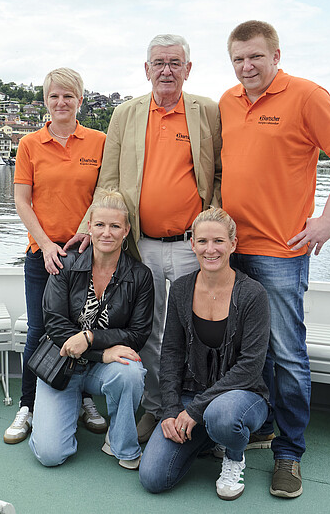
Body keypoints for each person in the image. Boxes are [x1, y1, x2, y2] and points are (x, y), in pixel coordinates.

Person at [219, 20, 330, 498]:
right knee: (246, 350)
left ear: (276, 55)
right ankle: (260, 427)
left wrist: (329, 219)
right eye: (239, 58)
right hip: (232, 250)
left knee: (286, 353)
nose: (247, 66)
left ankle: (290, 452)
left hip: (283, 250)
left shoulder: (305, 96)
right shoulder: (227, 101)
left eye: (256, 56)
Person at [69, 34, 222, 445]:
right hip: (143, 244)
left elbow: (220, 172)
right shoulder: (125, 113)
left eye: (175, 62)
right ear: (147, 69)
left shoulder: (207, 111)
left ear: (188, 69)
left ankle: (199, 409)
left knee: (198, 329)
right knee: (151, 331)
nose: (166, 70)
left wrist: (214, 227)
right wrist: (90, 226)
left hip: (195, 246)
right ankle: (157, 407)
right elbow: (110, 180)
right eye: (159, 63)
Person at [5, 68, 108, 445]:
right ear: (45, 102)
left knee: (83, 329)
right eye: (54, 97)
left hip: (86, 253)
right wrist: (46, 244)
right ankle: (27, 406)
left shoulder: (99, 141)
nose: (61, 103)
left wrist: (84, 230)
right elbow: (22, 200)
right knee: (39, 330)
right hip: (43, 255)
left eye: (69, 96)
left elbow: (105, 193)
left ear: (80, 99)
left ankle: (82, 399)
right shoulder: (31, 144)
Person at [139, 208, 269, 500]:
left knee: (222, 415)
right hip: (191, 394)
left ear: (233, 245)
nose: (211, 249)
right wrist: (171, 410)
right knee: (153, 477)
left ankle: (233, 455)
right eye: (203, 241)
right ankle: (207, 437)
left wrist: (194, 412)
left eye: (219, 241)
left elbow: (250, 367)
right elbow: (170, 354)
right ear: (192, 244)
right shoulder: (183, 289)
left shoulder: (253, 294)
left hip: (242, 396)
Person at [29, 191, 154, 469]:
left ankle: (121, 444)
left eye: (115, 226)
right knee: (50, 455)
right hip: (61, 364)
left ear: (126, 231)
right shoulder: (66, 264)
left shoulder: (140, 276)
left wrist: (90, 337)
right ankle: (68, 407)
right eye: (100, 225)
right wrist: (101, 353)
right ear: (90, 227)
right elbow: (55, 324)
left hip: (103, 371)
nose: (106, 233)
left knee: (131, 371)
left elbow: (138, 334)